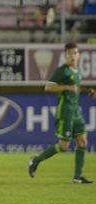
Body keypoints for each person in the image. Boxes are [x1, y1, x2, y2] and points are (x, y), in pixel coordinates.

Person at [28, 42, 93, 184]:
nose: (73, 56)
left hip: (76, 111)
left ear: (79, 55)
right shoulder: (62, 71)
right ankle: (36, 160)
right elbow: (48, 87)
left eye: (75, 53)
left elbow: (75, 88)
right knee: (64, 146)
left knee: (82, 141)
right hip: (65, 112)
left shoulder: (77, 71)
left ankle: (77, 176)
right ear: (66, 55)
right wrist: (66, 86)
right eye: (70, 53)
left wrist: (87, 91)